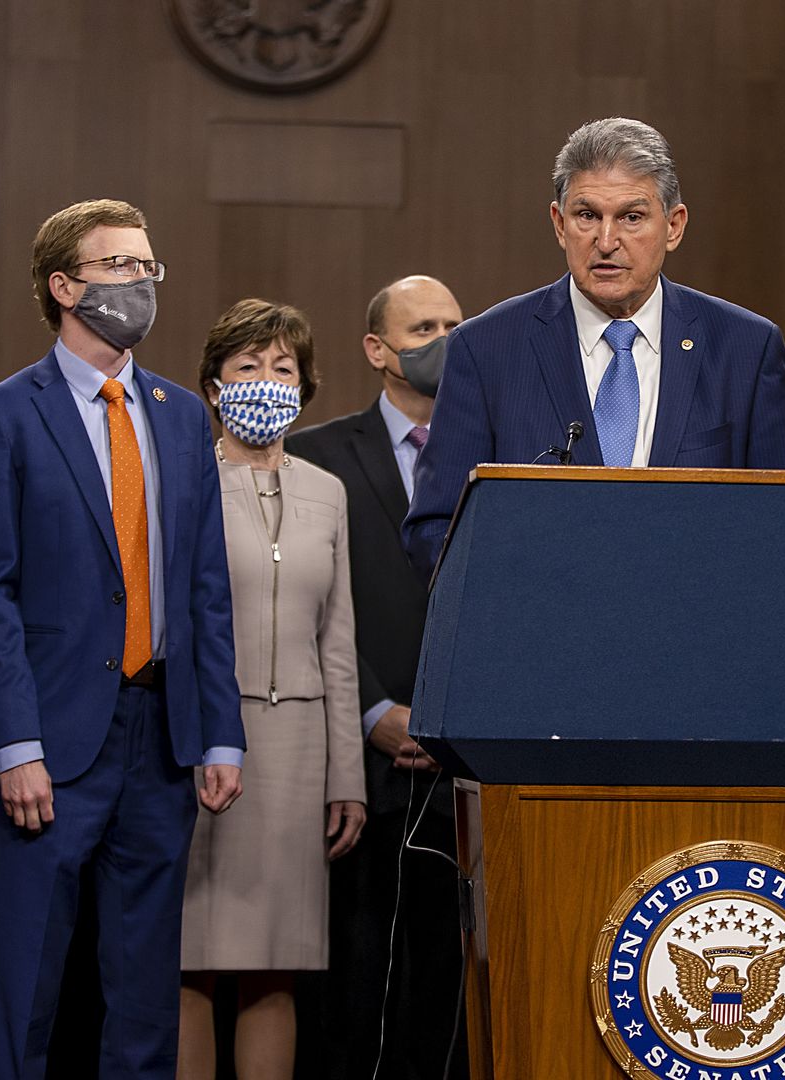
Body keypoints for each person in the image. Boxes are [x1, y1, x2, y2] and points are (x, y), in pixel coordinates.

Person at [0, 198, 244, 1080]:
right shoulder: (3, 412)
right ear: (63, 285)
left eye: (148, 266)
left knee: (147, 1000)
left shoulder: (182, 413)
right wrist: (14, 745)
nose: (140, 283)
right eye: (119, 266)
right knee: (24, 997)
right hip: (51, 744)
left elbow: (205, 586)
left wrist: (220, 730)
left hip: (161, 739)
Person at [401, 117, 785, 574]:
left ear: (673, 226)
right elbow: (434, 529)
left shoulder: (747, 350)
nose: (607, 241)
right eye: (587, 216)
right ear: (559, 224)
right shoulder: (485, 349)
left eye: (632, 217)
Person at [286, 276, 468, 1080]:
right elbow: (308, 608)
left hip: (465, 764)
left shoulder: (498, 451)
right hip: (352, 764)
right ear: (376, 349)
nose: (444, 338)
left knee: (447, 983)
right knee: (352, 983)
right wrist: (373, 711)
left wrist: (453, 713)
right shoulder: (316, 454)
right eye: (423, 325)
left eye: (455, 324)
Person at [178, 298, 365, 1080]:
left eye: (281, 367)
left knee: (276, 965)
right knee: (190, 962)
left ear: (306, 382)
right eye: (248, 366)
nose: (266, 380)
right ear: (215, 386)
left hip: (300, 751)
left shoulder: (328, 491)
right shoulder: (185, 481)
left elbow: (339, 643)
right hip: (205, 745)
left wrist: (347, 774)